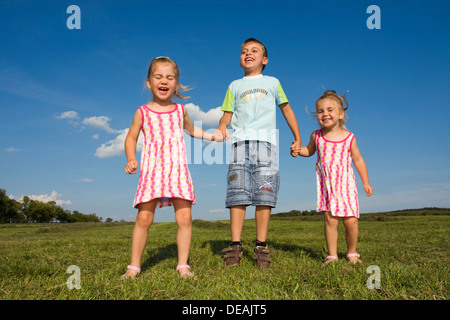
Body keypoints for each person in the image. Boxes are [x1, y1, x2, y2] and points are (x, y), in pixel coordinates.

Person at [121, 57, 215, 279]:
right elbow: (131, 137)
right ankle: (134, 267)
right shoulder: (142, 112)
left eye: (170, 78)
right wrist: (131, 158)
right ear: (149, 82)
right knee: (144, 218)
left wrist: (213, 135)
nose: (164, 81)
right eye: (158, 77)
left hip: (177, 172)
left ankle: (183, 265)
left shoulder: (180, 111)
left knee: (184, 218)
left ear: (176, 83)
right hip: (152, 173)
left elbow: (192, 131)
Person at [214, 38, 301, 268]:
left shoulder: (273, 82)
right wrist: (222, 127)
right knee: (237, 192)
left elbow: (286, 109)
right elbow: (226, 114)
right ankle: (235, 245)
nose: (248, 54)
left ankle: (261, 245)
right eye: (243, 51)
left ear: (264, 60)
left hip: (267, 144)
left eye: (254, 51)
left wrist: (297, 137)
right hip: (239, 144)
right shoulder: (234, 86)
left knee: (265, 192)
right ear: (240, 59)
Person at [294, 90, 373, 264]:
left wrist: (365, 182)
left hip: (346, 184)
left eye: (330, 110)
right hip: (327, 185)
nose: (325, 114)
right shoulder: (317, 136)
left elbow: (358, 160)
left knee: (351, 220)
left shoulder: (349, 137)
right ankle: (332, 255)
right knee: (330, 219)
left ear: (340, 114)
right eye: (321, 111)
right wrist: (299, 150)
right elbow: (310, 151)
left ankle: (352, 252)